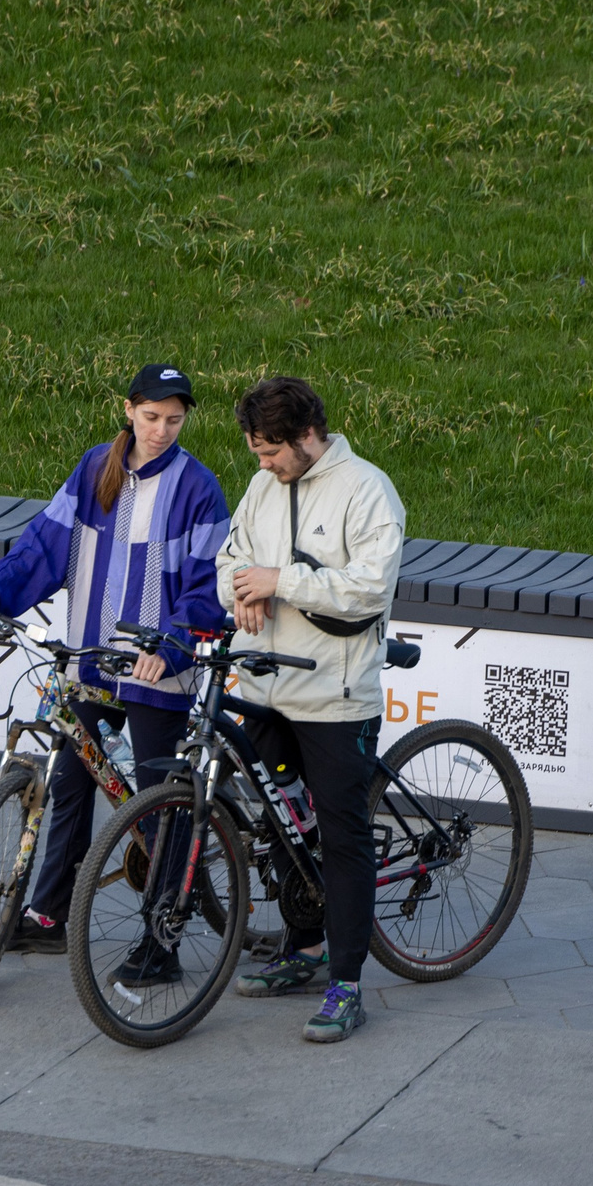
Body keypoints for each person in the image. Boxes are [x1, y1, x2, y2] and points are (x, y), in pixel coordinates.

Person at [0, 364, 231, 965]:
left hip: (159, 672)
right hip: (87, 661)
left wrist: (172, 644)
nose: (161, 430)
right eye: (152, 417)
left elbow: (210, 587)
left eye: (175, 420)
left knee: (159, 803)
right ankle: (48, 913)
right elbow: (42, 548)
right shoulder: (93, 468)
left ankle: (162, 940)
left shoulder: (200, 488)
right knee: (69, 786)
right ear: (128, 409)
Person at [215, 375, 405, 1043]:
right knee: (281, 827)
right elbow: (231, 556)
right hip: (263, 685)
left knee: (340, 835)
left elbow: (368, 590)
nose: (262, 465)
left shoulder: (367, 490)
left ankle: (347, 983)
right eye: (256, 454)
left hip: (334, 696)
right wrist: (241, 590)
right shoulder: (263, 486)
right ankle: (303, 950)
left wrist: (281, 581)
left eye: (270, 451)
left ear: (304, 436)